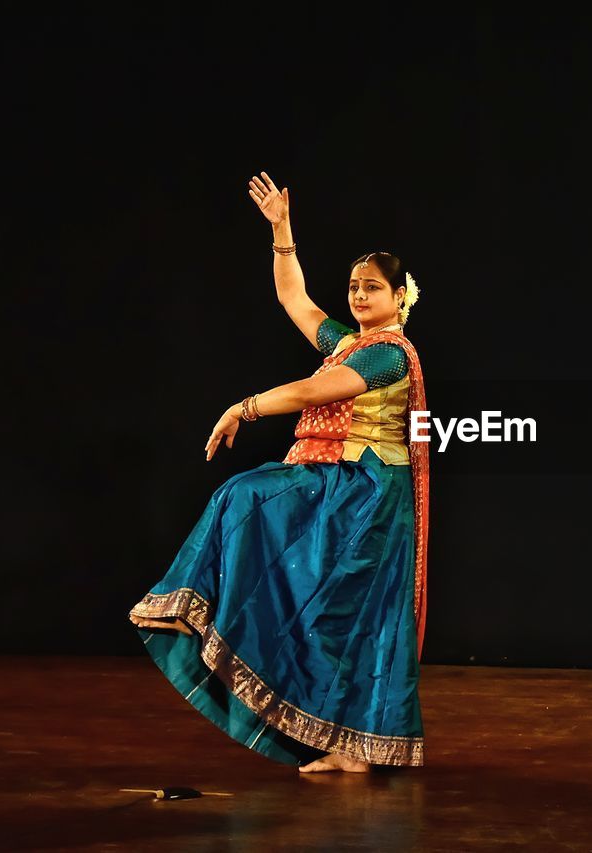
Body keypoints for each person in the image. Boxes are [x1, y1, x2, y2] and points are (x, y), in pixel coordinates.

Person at [128, 171, 430, 773]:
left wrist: (243, 407)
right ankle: (347, 747)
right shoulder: (350, 341)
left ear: (400, 297)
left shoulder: (389, 354)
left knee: (349, 610)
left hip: (368, 494)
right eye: (354, 287)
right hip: (341, 488)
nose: (359, 295)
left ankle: (202, 608)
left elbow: (318, 390)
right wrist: (281, 230)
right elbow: (295, 299)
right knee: (325, 603)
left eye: (372, 288)